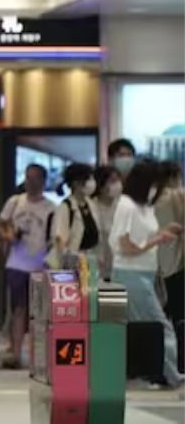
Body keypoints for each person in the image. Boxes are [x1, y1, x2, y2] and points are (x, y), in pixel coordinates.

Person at [111, 161, 184, 388]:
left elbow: (143, 237)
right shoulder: (126, 205)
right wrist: (156, 240)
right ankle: (172, 374)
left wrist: (163, 232)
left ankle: (152, 373)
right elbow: (125, 245)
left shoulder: (145, 206)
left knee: (142, 326)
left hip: (146, 273)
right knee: (160, 325)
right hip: (130, 273)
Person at [0, 163, 57, 369]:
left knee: (39, 311)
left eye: (35, 178)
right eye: (28, 178)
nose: (30, 183)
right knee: (18, 309)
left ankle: (37, 355)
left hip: (40, 264)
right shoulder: (15, 202)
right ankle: (16, 352)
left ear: (43, 181)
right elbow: (1, 224)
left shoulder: (51, 208)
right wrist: (8, 235)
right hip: (16, 263)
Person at [156, 162, 185, 375]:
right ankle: (180, 363)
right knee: (180, 318)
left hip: (160, 265)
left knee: (165, 317)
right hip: (178, 263)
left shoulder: (152, 199)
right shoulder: (177, 196)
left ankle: (164, 365)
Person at [48, 163, 101, 270]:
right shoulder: (65, 207)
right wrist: (69, 263)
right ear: (76, 183)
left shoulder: (91, 205)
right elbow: (59, 239)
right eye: (89, 179)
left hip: (89, 261)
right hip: (71, 263)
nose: (92, 183)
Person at [93, 165, 123, 280]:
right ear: (100, 184)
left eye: (118, 180)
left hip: (121, 269)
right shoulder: (91, 207)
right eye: (112, 181)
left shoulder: (124, 205)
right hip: (97, 270)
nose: (117, 184)